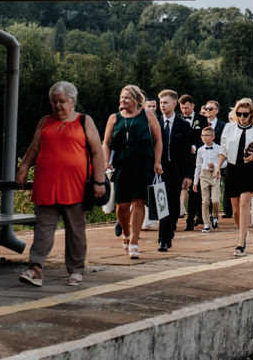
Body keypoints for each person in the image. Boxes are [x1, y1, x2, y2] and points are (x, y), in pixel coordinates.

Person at [16, 81, 107, 287]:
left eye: (62, 101)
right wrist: (23, 167)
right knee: (43, 229)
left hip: (75, 186)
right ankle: (36, 268)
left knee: (75, 230)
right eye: (54, 101)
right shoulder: (45, 121)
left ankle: (76, 269)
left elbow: (97, 152)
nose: (57, 106)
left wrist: (99, 181)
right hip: (46, 185)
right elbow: (34, 148)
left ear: (73, 101)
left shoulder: (84, 121)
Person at [102, 84, 161, 260]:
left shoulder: (147, 115)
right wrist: (106, 162)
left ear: (136, 99)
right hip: (121, 165)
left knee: (138, 202)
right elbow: (106, 143)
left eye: (127, 97)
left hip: (143, 164)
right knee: (121, 205)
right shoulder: (114, 118)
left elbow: (158, 140)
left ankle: (134, 241)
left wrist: (157, 162)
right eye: (122, 97)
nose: (123, 100)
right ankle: (126, 233)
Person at [219, 98, 253, 257]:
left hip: (249, 169)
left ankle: (241, 242)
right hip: (233, 169)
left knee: (245, 203)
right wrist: (218, 168)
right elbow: (223, 149)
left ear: (251, 114)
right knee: (235, 211)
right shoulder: (229, 127)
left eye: (245, 114)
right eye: (239, 114)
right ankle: (243, 231)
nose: (242, 117)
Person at [156, 89, 195, 253]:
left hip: (176, 170)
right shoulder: (155, 123)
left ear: (174, 104)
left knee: (172, 203)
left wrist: (188, 175)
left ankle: (169, 230)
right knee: (161, 203)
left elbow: (188, 152)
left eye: (165, 102)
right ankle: (163, 238)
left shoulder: (184, 126)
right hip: (159, 170)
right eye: (160, 103)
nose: (162, 105)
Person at [180, 95, 209, 232]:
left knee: (194, 190)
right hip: (181, 159)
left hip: (195, 159)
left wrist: (196, 146)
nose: (184, 110)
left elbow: (205, 138)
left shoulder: (201, 119)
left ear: (192, 106)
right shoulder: (178, 118)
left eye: (186, 108)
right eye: (182, 108)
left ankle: (190, 220)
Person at [204, 100, 230, 218]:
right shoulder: (201, 123)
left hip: (221, 159)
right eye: (206, 108)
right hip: (206, 160)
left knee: (224, 186)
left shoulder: (223, 126)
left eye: (210, 109)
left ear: (216, 111)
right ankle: (205, 214)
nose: (208, 111)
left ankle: (226, 210)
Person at [193, 126, 222, 233]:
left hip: (215, 174)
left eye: (207, 135)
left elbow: (225, 162)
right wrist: (195, 181)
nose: (204, 137)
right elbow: (198, 166)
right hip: (204, 175)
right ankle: (206, 223)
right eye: (203, 135)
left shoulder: (219, 148)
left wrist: (215, 166)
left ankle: (215, 216)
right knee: (205, 201)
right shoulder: (200, 150)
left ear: (213, 136)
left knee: (215, 199)